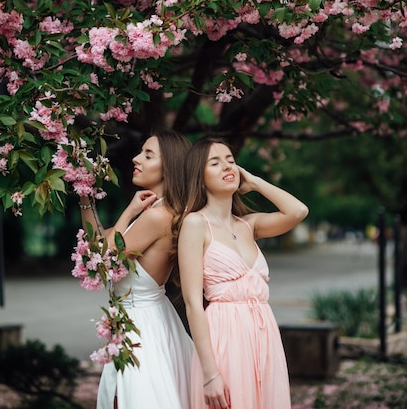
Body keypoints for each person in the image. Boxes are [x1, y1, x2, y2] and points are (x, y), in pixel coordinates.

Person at [178, 137, 309, 409]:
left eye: (231, 161)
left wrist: (256, 183)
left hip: (264, 333)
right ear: (199, 178)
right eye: (215, 163)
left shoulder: (250, 225)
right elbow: (192, 303)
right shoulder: (195, 224)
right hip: (224, 335)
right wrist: (209, 372)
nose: (228, 167)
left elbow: (298, 211)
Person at [79, 129, 194, 409]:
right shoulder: (163, 211)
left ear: (169, 168)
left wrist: (128, 212)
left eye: (148, 154)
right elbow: (101, 241)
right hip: (150, 319)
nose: (136, 158)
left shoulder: (156, 216)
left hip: (141, 325)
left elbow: (101, 259)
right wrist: (85, 196)